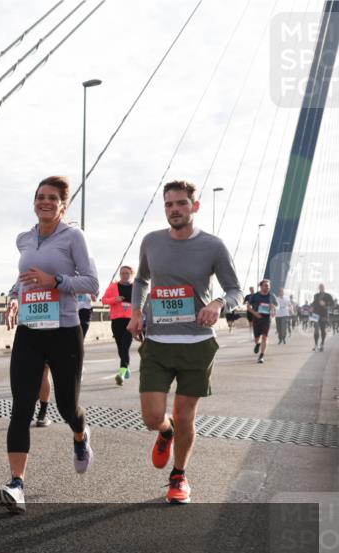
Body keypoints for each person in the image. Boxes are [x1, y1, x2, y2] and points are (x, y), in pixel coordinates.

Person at [128, 180, 241, 505]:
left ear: (195, 206)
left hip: (197, 344)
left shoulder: (213, 246)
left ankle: (179, 476)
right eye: (169, 205)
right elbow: (142, 279)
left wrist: (218, 304)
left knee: (186, 414)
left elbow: (235, 289)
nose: (174, 210)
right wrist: (136, 311)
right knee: (152, 416)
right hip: (158, 341)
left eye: (181, 203)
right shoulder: (151, 242)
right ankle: (166, 431)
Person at [0, 176, 98, 513]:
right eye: (40, 196)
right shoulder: (24, 239)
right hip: (29, 330)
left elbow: (91, 282)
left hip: (64, 331)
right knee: (21, 407)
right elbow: (23, 278)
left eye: (52, 198)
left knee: (68, 407)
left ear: (63, 205)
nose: (45, 202)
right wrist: (14, 298)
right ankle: (16, 484)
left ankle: (81, 437)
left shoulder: (74, 237)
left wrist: (55, 281)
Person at [102, 265, 135, 385]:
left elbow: (141, 302)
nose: (125, 275)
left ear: (132, 274)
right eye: (122, 273)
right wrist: (115, 299)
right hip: (116, 320)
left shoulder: (136, 287)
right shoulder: (113, 286)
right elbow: (104, 300)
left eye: (127, 273)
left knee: (125, 346)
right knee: (120, 348)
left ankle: (121, 374)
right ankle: (126, 368)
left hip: (130, 320)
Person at [246, 279, 277, 363]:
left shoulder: (272, 296)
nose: (267, 287)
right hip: (257, 318)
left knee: (265, 337)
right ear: (261, 286)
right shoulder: (255, 296)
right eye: (265, 285)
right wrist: (255, 313)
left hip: (266, 318)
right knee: (256, 338)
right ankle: (257, 344)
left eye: (268, 286)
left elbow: (277, 305)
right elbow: (248, 307)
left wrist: (274, 309)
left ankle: (261, 356)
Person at [310, 284, 336, 351]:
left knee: (323, 330)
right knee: (316, 330)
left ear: (324, 288)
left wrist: (325, 304)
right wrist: (311, 307)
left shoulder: (328, 295)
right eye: (320, 287)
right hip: (315, 314)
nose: (321, 288)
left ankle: (322, 344)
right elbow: (314, 303)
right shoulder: (315, 295)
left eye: (322, 287)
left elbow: (332, 303)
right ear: (318, 288)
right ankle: (316, 345)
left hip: (323, 314)